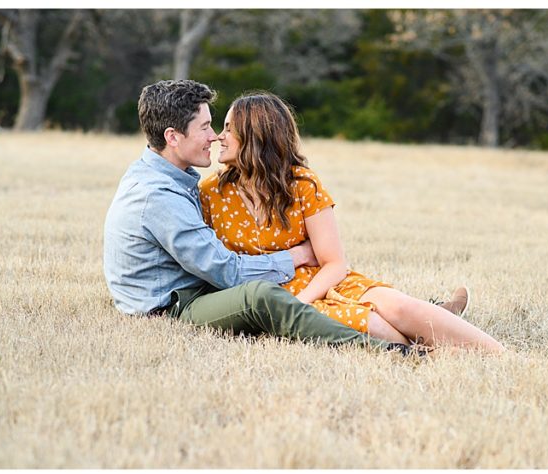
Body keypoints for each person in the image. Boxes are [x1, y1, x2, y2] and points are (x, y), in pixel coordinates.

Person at [104, 79, 413, 353]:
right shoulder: (158, 195)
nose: (214, 137)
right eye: (205, 127)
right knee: (261, 296)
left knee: (286, 287)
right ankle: (386, 350)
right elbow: (227, 272)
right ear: (172, 137)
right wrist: (296, 255)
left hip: (192, 287)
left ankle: (419, 320)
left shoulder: (166, 176)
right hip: (173, 305)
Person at [199, 92, 503, 352]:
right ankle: (431, 339)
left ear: (255, 135)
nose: (218, 136)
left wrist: (303, 300)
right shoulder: (211, 193)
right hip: (275, 297)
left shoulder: (302, 184)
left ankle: (502, 355)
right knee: (374, 325)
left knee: (396, 306)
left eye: (228, 128)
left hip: (324, 282)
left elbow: (334, 264)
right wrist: (292, 308)